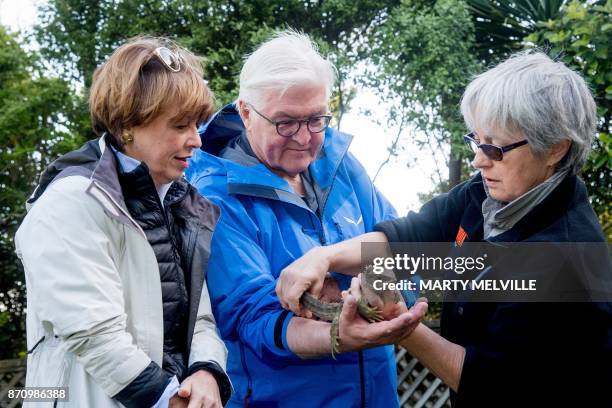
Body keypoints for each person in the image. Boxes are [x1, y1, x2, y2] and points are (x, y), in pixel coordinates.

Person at [277, 51, 612, 407]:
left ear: (555, 149)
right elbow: (408, 239)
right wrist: (323, 257)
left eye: (495, 148)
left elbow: (489, 382)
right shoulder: (491, 192)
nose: (478, 160)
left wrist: (400, 325)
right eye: (476, 140)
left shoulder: (562, 262)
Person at [186, 30, 426, 407]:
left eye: (317, 119)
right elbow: (251, 317)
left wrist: (387, 291)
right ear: (246, 112)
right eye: (285, 123)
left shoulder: (343, 166)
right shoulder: (212, 196)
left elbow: (407, 248)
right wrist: (339, 335)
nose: (304, 138)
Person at [15, 37, 232, 407]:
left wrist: (207, 372)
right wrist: (169, 399)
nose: (196, 139)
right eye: (180, 125)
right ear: (128, 123)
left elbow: (200, 319)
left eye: (197, 124)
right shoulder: (70, 202)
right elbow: (95, 335)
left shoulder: (183, 202)